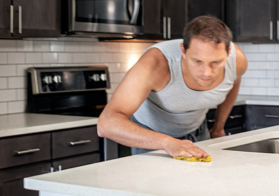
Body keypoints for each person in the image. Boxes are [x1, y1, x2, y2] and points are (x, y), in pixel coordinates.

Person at [97, 16, 248, 158]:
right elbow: (106, 123)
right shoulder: (155, 64)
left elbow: (233, 81)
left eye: (216, 62)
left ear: (228, 53)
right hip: (151, 135)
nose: (207, 72)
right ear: (183, 51)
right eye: (197, 61)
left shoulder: (237, 62)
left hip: (197, 130)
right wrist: (168, 143)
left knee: (202, 182)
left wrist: (219, 126)